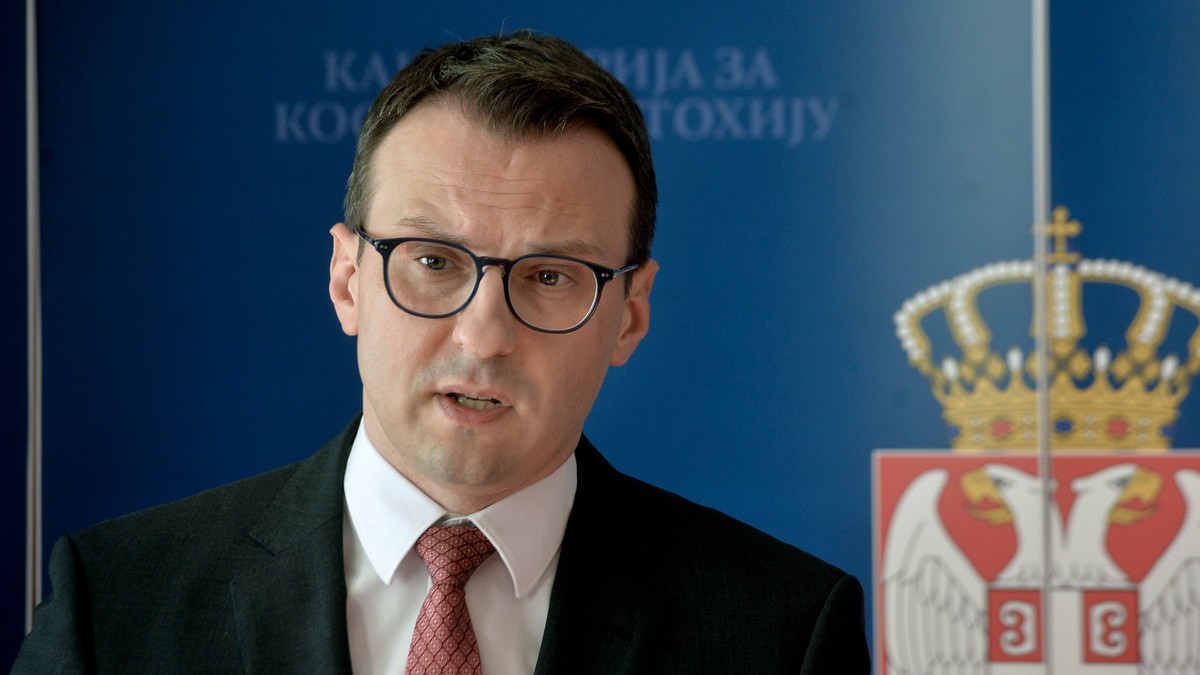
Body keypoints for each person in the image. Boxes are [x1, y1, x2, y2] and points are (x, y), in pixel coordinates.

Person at [14, 31, 870, 673]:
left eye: (550, 276)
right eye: (432, 262)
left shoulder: (779, 630)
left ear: (630, 315)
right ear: (347, 279)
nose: (484, 335)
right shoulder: (119, 602)